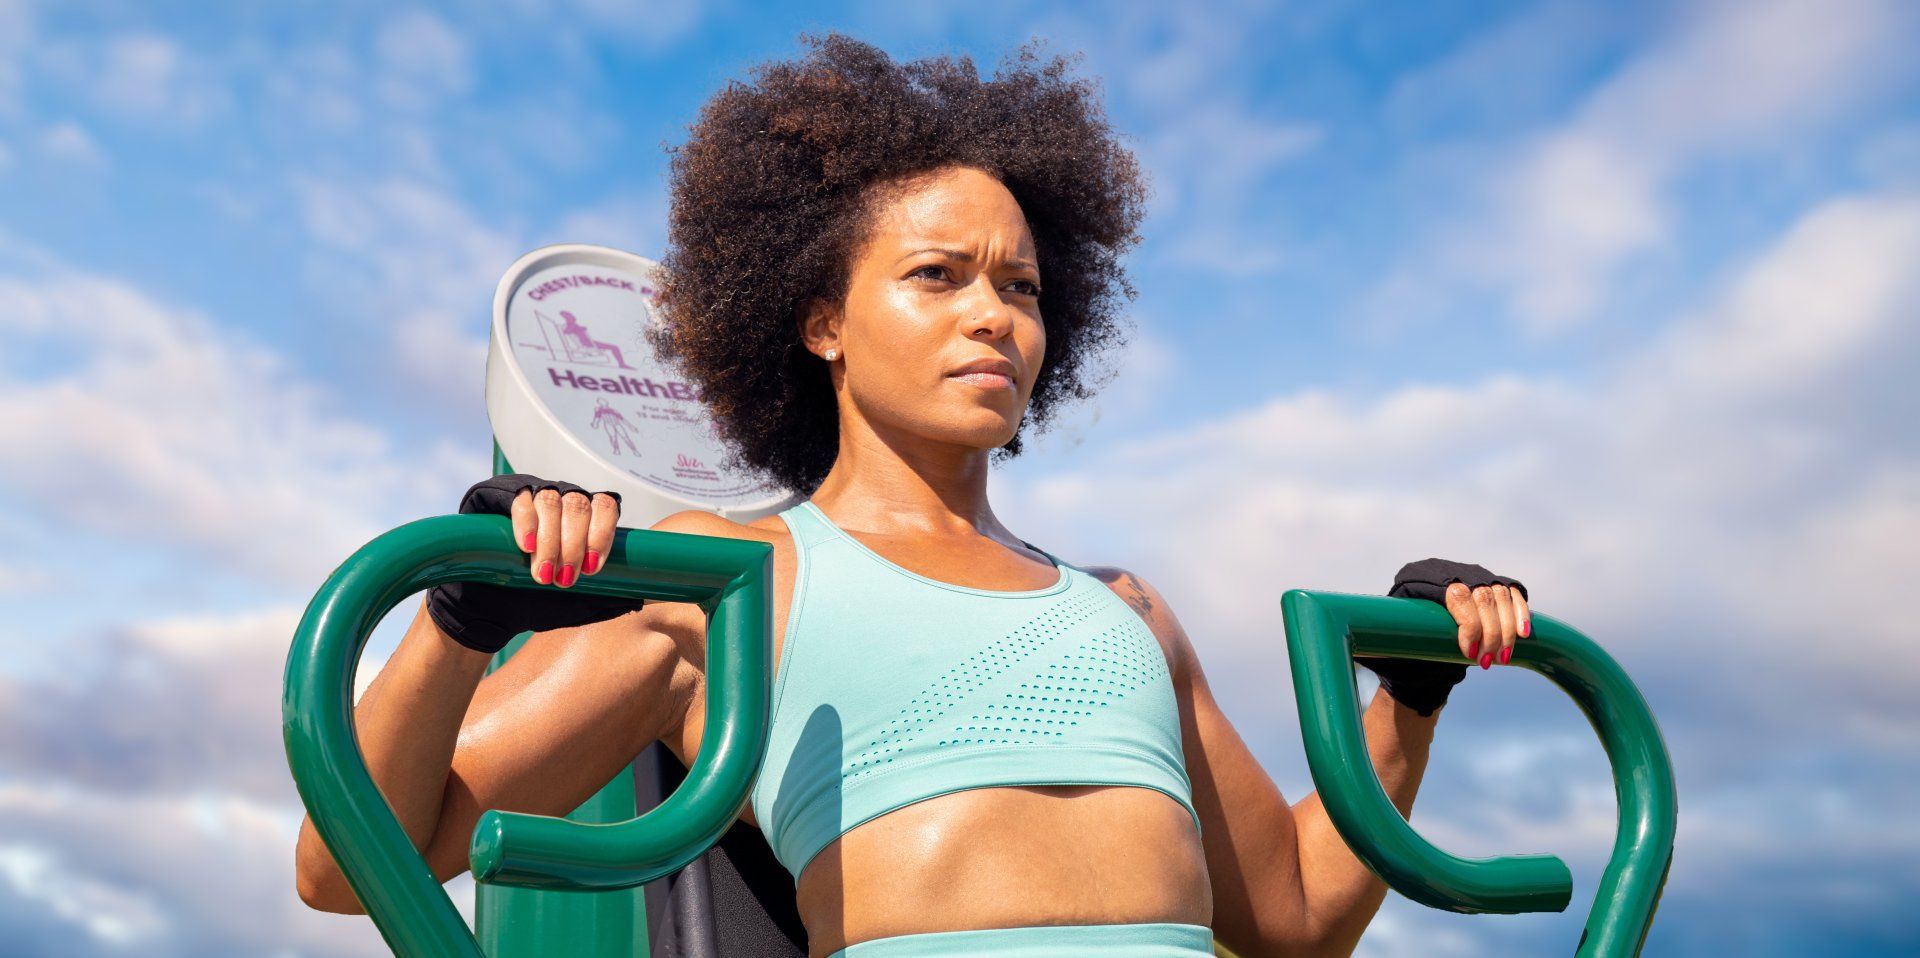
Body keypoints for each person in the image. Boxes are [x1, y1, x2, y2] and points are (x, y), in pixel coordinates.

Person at [294, 35, 1534, 957]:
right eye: (939, 275)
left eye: (1024, 287)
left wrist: (1406, 703)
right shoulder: (732, 580)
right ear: (823, 319)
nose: (995, 313)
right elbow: (349, 862)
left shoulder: (1127, 612)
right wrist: (457, 618)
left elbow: (1298, 915)